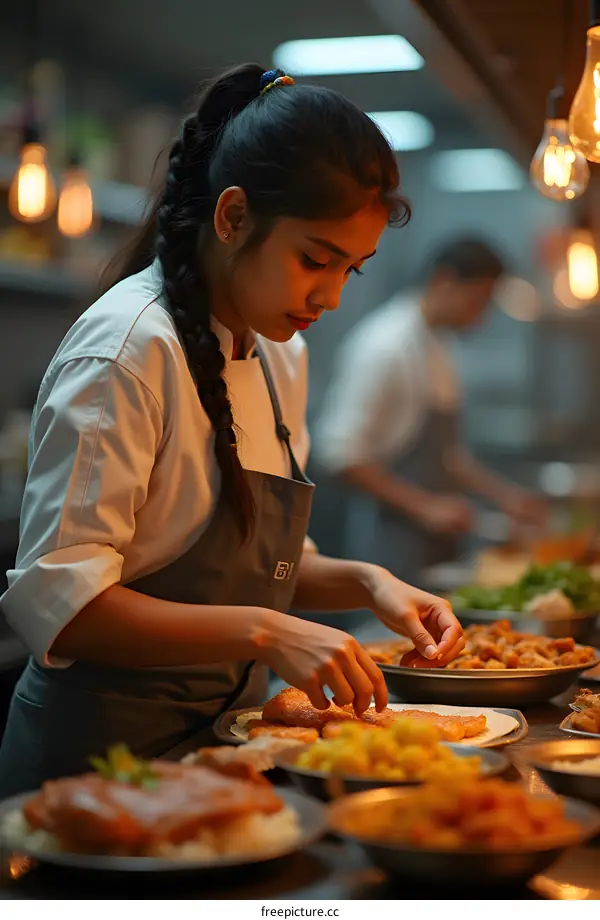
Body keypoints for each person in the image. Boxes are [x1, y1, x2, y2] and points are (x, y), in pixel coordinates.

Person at [0, 65, 464, 796]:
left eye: (353, 270)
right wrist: (267, 632)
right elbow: (65, 608)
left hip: (225, 752)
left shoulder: (282, 351)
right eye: (315, 259)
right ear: (233, 216)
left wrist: (372, 582)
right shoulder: (127, 349)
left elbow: (267, 566)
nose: (333, 295)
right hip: (96, 765)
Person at [313, 238, 547, 583]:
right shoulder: (384, 345)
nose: (481, 317)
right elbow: (339, 455)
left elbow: (448, 456)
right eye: (477, 301)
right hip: (388, 541)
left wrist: (505, 496)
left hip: (434, 543)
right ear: (444, 280)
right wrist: (424, 507)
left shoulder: (439, 344)